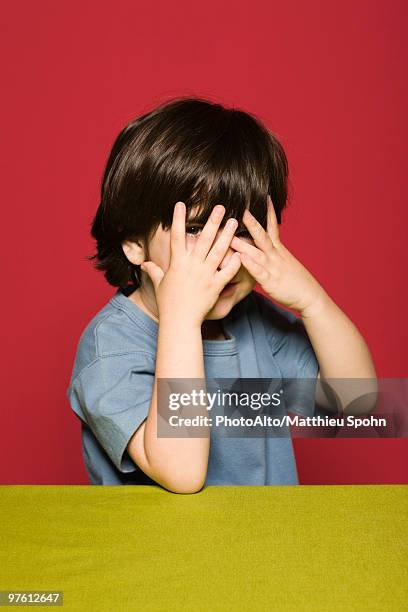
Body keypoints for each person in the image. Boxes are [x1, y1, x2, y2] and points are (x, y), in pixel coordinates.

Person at [66, 97, 377, 492]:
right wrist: (180, 319)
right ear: (135, 245)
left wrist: (313, 302)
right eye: (198, 229)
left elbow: (356, 406)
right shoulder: (110, 346)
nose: (225, 252)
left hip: (263, 547)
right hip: (161, 554)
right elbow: (181, 473)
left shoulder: (255, 321)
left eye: (243, 231)